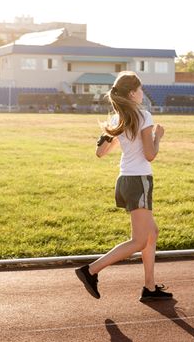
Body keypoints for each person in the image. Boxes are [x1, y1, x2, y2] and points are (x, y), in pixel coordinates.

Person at [75, 71, 173, 302]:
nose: (142, 93)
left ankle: (149, 287)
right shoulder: (144, 116)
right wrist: (159, 136)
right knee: (139, 241)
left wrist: (110, 135)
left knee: (152, 232)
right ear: (132, 93)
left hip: (125, 181)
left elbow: (100, 152)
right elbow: (150, 154)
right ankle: (90, 271)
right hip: (139, 180)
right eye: (140, 89)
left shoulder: (117, 119)